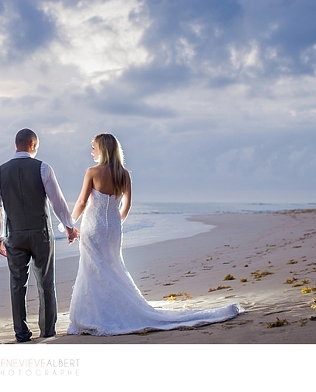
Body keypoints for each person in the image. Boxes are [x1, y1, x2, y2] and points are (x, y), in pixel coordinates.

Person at [67, 133, 243, 336]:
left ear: (103, 149)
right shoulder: (124, 174)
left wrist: (70, 225)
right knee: (113, 267)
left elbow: (81, 202)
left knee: (94, 269)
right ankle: (109, 311)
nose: (91, 151)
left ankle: (95, 315)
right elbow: (126, 205)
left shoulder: (92, 172)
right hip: (113, 229)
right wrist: (116, 224)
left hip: (93, 227)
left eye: (93, 147)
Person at [0, 128, 80, 342]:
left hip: (15, 235)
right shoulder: (43, 168)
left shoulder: (0, 172)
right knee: (46, 282)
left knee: (17, 284)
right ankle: (47, 331)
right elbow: (57, 201)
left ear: (16, 145)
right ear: (32, 145)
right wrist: (69, 226)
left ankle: (21, 333)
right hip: (41, 233)